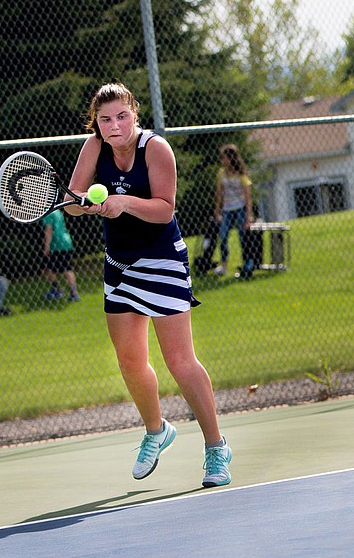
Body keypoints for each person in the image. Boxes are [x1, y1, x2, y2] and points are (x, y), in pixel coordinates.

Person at [64, 81, 232, 488]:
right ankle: (157, 431)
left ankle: (216, 447)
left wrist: (122, 203)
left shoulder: (155, 149)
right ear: (97, 124)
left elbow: (163, 210)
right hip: (118, 264)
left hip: (162, 261)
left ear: (135, 114)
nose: (114, 125)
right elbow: (70, 202)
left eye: (122, 116)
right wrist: (83, 204)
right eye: (105, 119)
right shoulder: (93, 148)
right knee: (129, 361)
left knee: (179, 361)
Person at [212, 143, 254, 277]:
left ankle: (246, 265)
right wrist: (217, 211)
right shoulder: (221, 174)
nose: (222, 161)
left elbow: (247, 196)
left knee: (243, 238)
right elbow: (219, 193)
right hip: (227, 210)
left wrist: (248, 216)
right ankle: (224, 265)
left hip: (240, 208)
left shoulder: (241, 174)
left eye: (224, 158)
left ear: (231, 158)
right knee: (223, 236)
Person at [41, 208, 80, 301]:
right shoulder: (56, 210)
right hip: (66, 242)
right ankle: (65, 290)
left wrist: (46, 247)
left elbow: (49, 230)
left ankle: (67, 292)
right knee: (56, 269)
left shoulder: (48, 213)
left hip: (58, 245)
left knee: (63, 269)